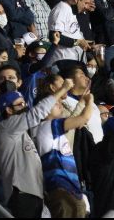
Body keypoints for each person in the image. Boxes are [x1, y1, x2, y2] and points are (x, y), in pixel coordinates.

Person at [0, 78, 74, 218]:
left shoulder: (23, 131)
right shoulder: (7, 126)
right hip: (21, 193)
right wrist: (63, 89)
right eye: (20, 104)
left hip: (35, 193)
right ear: (8, 110)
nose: (25, 106)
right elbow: (37, 113)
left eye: (25, 103)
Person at [32, 85, 94, 218]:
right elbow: (83, 118)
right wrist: (90, 101)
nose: (60, 105)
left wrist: (82, 102)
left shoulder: (48, 129)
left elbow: (78, 122)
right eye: (55, 103)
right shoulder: (49, 125)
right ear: (43, 110)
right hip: (62, 190)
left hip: (68, 190)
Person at [47, 0, 94, 64]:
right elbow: (54, 36)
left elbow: (72, 34)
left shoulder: (71, 11)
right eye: (85, 3)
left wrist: (86, 43)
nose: (86, 7)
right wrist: (77, 42)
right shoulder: (61, 9)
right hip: (62, 62)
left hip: (74, 62)